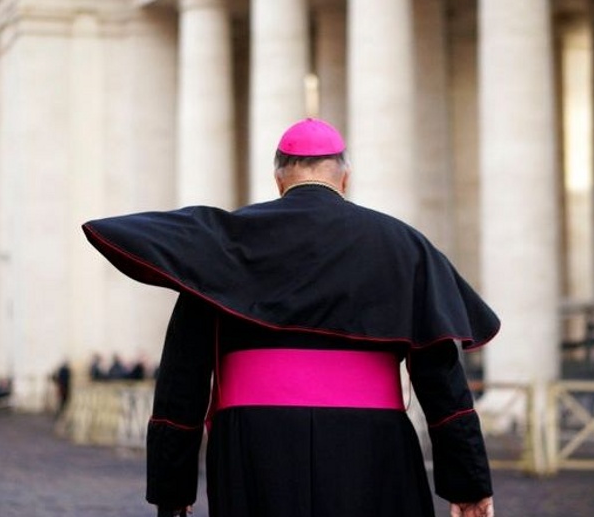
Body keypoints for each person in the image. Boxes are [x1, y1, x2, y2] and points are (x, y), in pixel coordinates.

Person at [83, 118, 500, 517]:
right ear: (344, 177)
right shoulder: (402, 244)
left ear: (279, 179)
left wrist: (172, 487)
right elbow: (441, 377)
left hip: (257, 440)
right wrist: (469, 484)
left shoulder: (222, 244)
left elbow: (183, 375)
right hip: (371, 442)